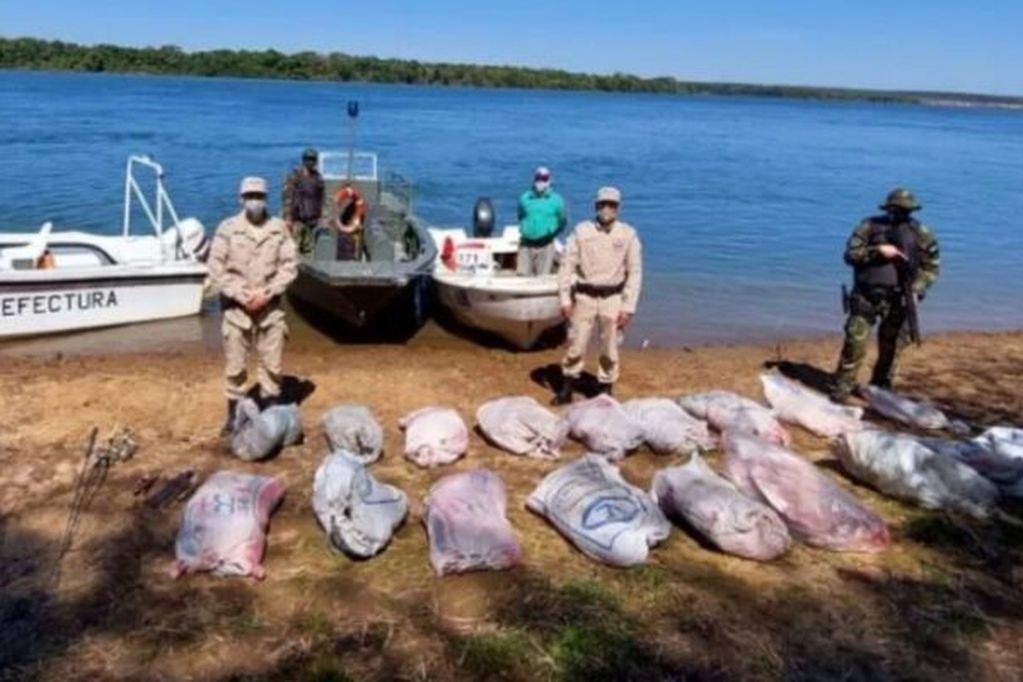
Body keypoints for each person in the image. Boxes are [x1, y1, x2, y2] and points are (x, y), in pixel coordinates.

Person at [208, 177, 299, 435]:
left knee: (272, 367)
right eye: (250, 196)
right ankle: (232, 418)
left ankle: (270, 417)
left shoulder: (279, 228)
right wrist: (240, 295)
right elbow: (216, 268)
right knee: (235, 368)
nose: (254, 201)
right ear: (241, 199)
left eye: (259, 196)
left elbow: (289, 266)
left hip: (270, 311)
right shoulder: (227, 229)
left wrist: (268, 294)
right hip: (236, 311)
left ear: (265, 199)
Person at [831, 188, 940, 402]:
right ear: (888, 208)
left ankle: (881, 387)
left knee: (892, 348)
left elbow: (932, 267)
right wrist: (877, 251)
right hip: (866, 296)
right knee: (855, 343)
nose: (899, 213)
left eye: (905, 210)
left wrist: (918, 289)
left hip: (899, 299)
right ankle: (843, 386)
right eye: (896, 209)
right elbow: (850, 255)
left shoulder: (922, 233)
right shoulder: (869, 226)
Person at [555, 186, 642, 404]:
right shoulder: (581, 232)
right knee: (576, 343)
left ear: (618, 208)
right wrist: (565, 299)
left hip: (613, 298)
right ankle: (567, 387)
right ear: (596, 206)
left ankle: (606, 388)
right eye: (603, 204)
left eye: (611, 204)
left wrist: (628, 307)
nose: (607, 208)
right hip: (584, 296)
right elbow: (566, 267)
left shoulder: (628, 235)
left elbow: (635, 272)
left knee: (610, 347)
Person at [517, 166, 567, 276]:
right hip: (526, 244)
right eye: (538, 178)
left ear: (549, 181)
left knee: (543, 277)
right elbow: (520, 216)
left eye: (544, 178)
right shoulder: (524, 198)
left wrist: (552, 232)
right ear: (534, 179)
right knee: (522, 277)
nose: (541, 181)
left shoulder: (557, 200)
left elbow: (562, 220)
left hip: (546, 244)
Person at [282, 148, 325, 257]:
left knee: (309, 250)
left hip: (312, 221)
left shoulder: (318, 178)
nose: (310, 162)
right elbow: (287, 197)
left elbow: (322, 199)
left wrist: (323, 217)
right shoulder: (295, 176)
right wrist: (287, 218)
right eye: (307, 159)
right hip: (297, 220)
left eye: (312, 159)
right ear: (303, 160)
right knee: (293, 250)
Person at [332, 182, 368, 261]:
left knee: (355, 243)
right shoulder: (350, 207)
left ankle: (354, 258)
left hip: (351, 231)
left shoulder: (356, 207)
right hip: (345, 231)